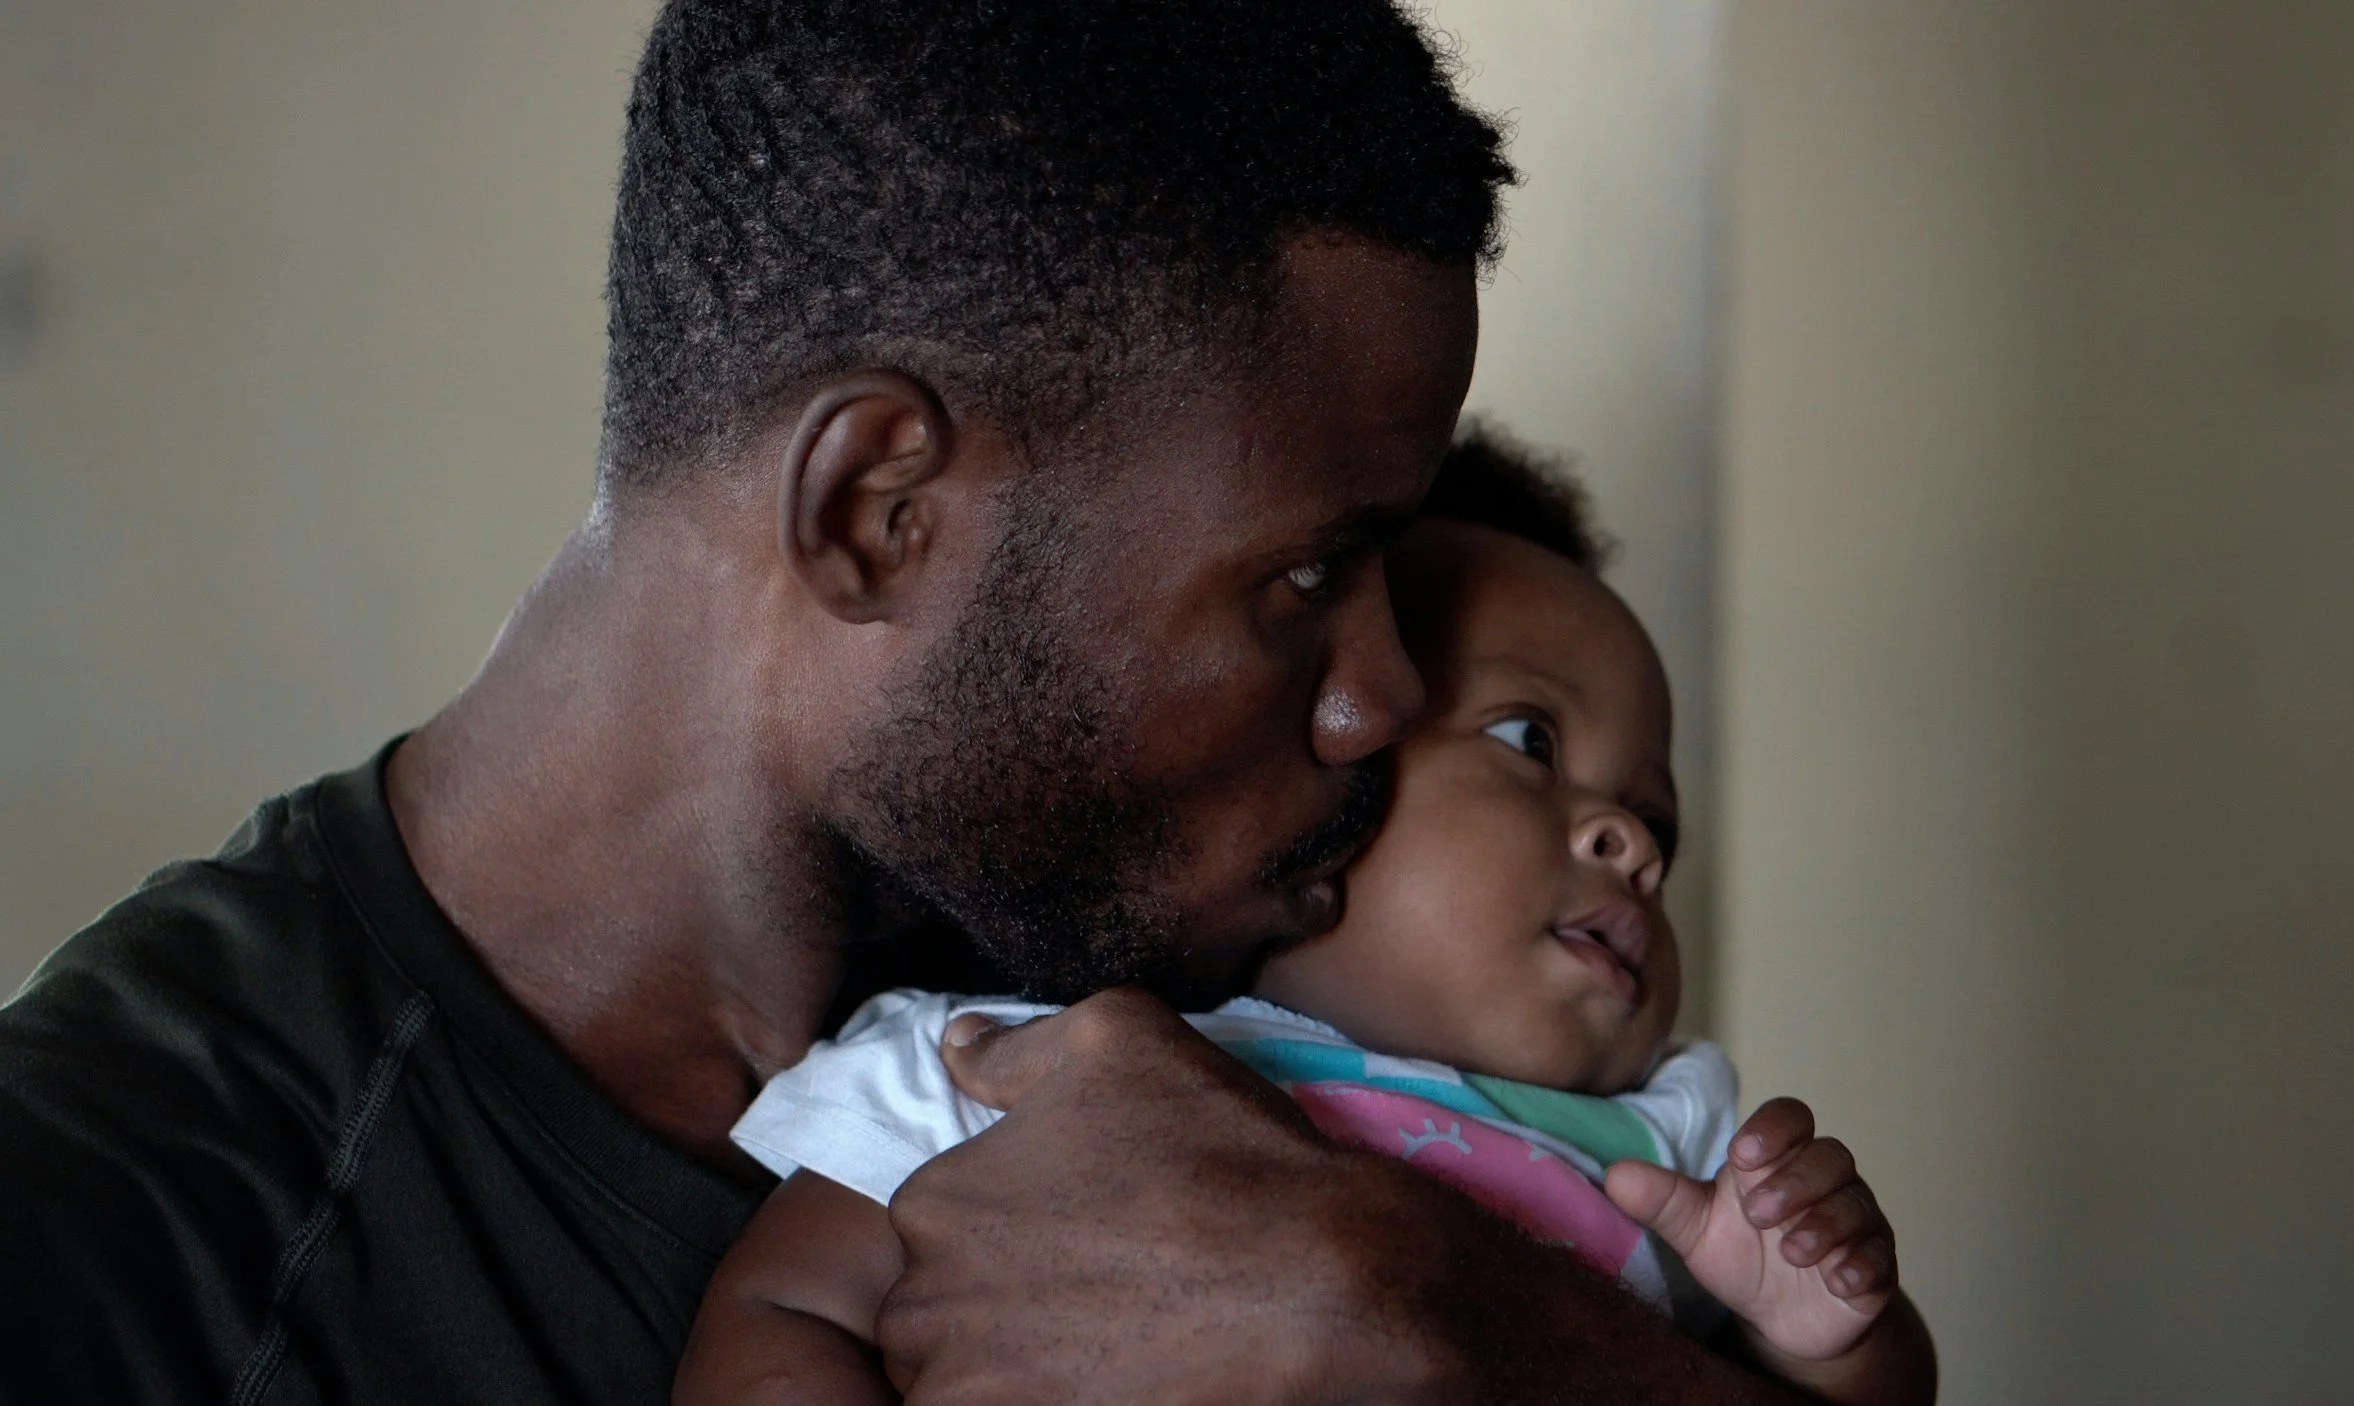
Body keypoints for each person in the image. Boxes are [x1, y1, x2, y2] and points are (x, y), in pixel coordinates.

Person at [2, 4, 1830, 1403]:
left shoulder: (1226, 953)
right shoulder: (133, 1244)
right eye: (1300, 582)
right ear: (879, 510)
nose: (1382, 698)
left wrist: (1467, 1331)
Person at [676, 431, 1939, 1406]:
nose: (1630, 845)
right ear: (1317, 787)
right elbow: (784, 1312)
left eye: (1653, 821)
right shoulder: (1028, 1060)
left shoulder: (1680, 1140)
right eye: (1529, 740)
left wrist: (1834, 1328)